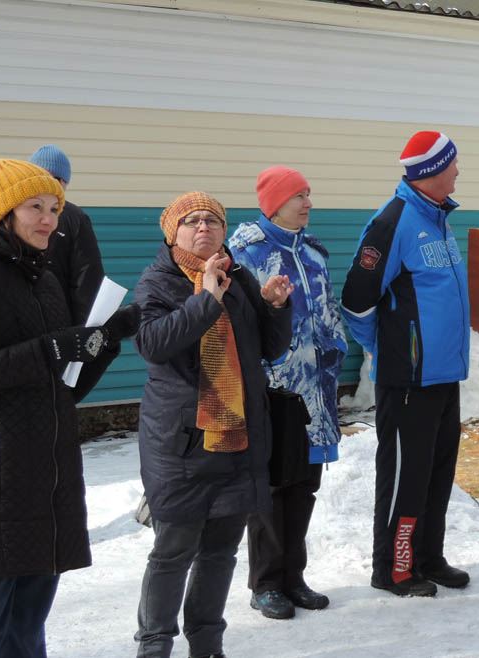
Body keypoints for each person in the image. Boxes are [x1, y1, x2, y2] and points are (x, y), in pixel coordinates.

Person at [0, 158, 138, 658]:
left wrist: (107, 339)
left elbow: (64, 386)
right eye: (35, 207)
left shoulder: (44, 277)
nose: (49, 219)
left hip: (46, 482)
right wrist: (52, 347)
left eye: (55, 208)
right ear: (2, 211)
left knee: (28, 630)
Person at [133, 191, 293, 658]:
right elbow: (154, 345)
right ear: (173, 233)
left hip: (237, 438)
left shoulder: (236, 275)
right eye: (192, 221)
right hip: (181, 445)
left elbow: (268, 349)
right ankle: (154, 647)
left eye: (213, 220)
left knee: (221, 553)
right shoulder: (158, 282)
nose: (203, 227)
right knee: (172, 554)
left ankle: (207, 646)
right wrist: (205, 298)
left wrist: (274, 308)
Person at [341, 131, 471, 597]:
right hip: (409, 380)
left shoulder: (437, 219)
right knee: (405, 478)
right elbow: (356, 301)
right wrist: (387, 348)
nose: (458, 171)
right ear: (432, 171)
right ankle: (394, 568)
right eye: (452, 165)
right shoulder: (392, 222)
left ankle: (428, 557)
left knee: (437, 474)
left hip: (444, 376)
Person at [228, 166, 349, 619]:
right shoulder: (247, 254)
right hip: (273, 394)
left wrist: (336, 349)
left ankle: (293, 577)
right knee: (272, 487)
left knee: (304, 485)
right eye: (299, 195)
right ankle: (265, 583)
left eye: (308, 194)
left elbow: (329, 308)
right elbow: (240, 325)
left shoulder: (313, 252)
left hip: (315, 393)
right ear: (275, 203)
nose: (308, 203)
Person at [28, 145, 105, 326]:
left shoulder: (74, 219)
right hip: (53, 327)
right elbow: (88, 282)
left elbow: (88, 279)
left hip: (35, 326)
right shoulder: (76, 218)